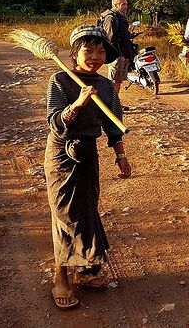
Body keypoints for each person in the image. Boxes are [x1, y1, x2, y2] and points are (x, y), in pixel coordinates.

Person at [45, 25, 132, 310]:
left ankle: (84, 270)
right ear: (74, 54)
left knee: (86, 210)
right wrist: (78, 104)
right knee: (65, 215)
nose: (95, 56)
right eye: (88, 51)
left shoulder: (106, 86)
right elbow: (55, 124)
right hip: (61, 156)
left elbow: (112, 124)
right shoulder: (59, 80)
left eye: (100, 51)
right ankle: (61, 276)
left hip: (88, 154)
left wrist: (120, 156)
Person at [99, 0, 133, 95]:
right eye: (123, 4)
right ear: (116, 5)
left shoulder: (120, 16)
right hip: (116, 54)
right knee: (113, 81)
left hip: (122, 53)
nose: (126, 6)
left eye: (126, 4)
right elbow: (110, 38)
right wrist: (114, 55)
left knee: (117, 80)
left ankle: (115, 102)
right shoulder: (111, 18)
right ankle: (111, 104)